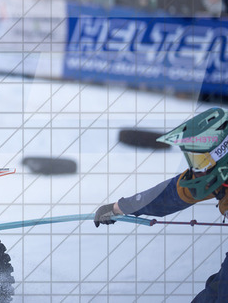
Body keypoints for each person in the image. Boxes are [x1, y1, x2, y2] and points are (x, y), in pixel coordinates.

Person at [94, 107, 228, 302]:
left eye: (201, 162)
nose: (196, 171)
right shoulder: (214, 177)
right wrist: (119, 208)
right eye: (194, 161)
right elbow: (170, 194)